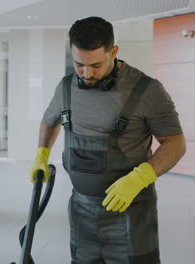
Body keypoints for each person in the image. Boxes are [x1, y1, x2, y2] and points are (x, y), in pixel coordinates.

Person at [29, 16, 186, 264]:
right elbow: (49, 121)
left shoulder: (147, 89)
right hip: (81, 210)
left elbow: (175, 143)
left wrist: (140, 177)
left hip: (131, 213)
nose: (86, 73)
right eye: (79, 64)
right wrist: (41, 155)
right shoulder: (66, 86)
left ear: (113, 51)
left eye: (96, 65)